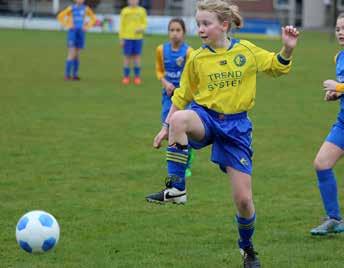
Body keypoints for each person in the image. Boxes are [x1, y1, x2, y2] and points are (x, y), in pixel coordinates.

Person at [145, 0, 299, 267]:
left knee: (243, 201)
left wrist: (287, 47)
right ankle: (178, 189)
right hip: (205, 117)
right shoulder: (197, 57)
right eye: (198, 24)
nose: (201, 29)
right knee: (181, 118)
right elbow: (182, 95)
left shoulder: (246, 51)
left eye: (206, 24)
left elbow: (276, 66)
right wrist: (165, 127)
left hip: (236, 128)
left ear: (224, 25)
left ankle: (247, 249)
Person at [311, 13, 344, 236]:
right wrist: (336, 95)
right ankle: (333, 218)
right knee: (322, 163)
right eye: (338, 29)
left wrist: (339, 88)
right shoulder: (339, 57)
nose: (340, 32)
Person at [155, 18, 195, 177]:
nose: (174, 34)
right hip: (168, 96)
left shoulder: (189, 52)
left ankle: (186, 163)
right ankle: (177, 161)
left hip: (184, 97)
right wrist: (165, 83)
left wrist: (181, 87)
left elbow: (192, 76)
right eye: (172, 30)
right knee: (169, 128)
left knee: (184, 129)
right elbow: (159, 71)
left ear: (184, 33)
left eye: (178, 30)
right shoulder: (160, 50)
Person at [57, 0, 96, 81]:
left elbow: (93, 18)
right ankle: (67, 75)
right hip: (72, 33)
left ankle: (75, 75)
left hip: (81, 33)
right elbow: (60, 16)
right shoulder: (71, 8)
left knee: (77, 55)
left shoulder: (86, 9)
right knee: (71, 53)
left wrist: (87, 27)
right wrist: (67, 25)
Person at [119, 0, 147, 85]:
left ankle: (137, 77)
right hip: (127, 38)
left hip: (138, 38)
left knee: (137, 57)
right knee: (127, 57)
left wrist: (141, 28)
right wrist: (121, 38)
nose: (133, 1)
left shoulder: (142, 11)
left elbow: (144, 23)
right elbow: (121, 25)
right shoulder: (125, 11)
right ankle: (126, 77)